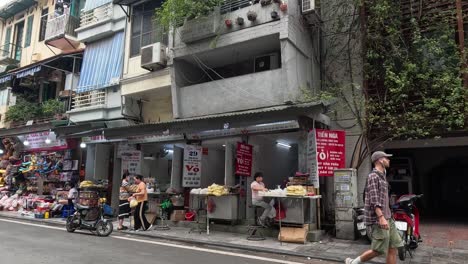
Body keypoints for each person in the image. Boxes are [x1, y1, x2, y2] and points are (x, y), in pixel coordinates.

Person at [345, 151, 403, 264]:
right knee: (378, 250)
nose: (388, 160)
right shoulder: (373, 176)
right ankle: (353, 262)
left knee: (393, 247)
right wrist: (381, 217)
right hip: (379, 219)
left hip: (388, 218)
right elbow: (374, 199)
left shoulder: (382, 176)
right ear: (380, 160)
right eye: (386, 158)